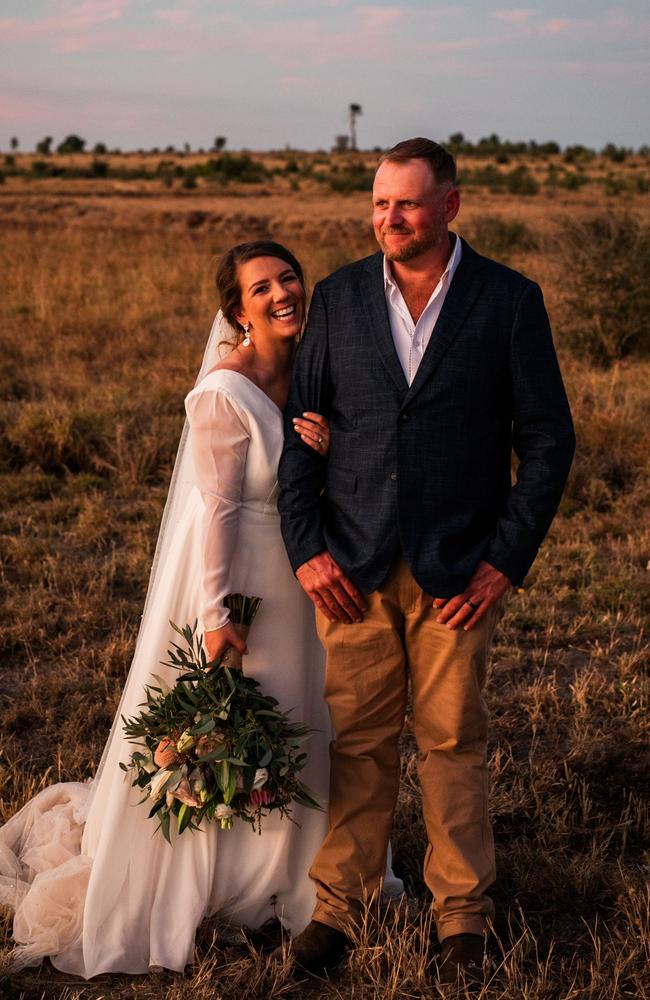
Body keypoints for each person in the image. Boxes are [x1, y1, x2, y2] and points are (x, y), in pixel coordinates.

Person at [0, 240, 402, 978]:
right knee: (231, 719)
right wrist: (218, 614)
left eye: (288, 278)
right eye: (262, 288)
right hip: (239, 573)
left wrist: (332, 445)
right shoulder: (225, 389)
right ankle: (214, 877)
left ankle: (291, 872)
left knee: (300, 712)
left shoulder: (312, 367)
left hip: (299, 571)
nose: (283, 293)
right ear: (237, 311)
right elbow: (214, 512)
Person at [277, 138, 576, 986]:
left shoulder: (509, 300)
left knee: (453, 743)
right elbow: (301, 433)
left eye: (406, 204)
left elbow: (549, 442)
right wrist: (307, 551)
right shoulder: (335, 300)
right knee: (359, 743)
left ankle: (462, 917)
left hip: (460, 572)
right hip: (353, 564)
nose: (389, 219)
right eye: (379, 203)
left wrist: (504, 563)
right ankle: (340, 907)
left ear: (450, 205)